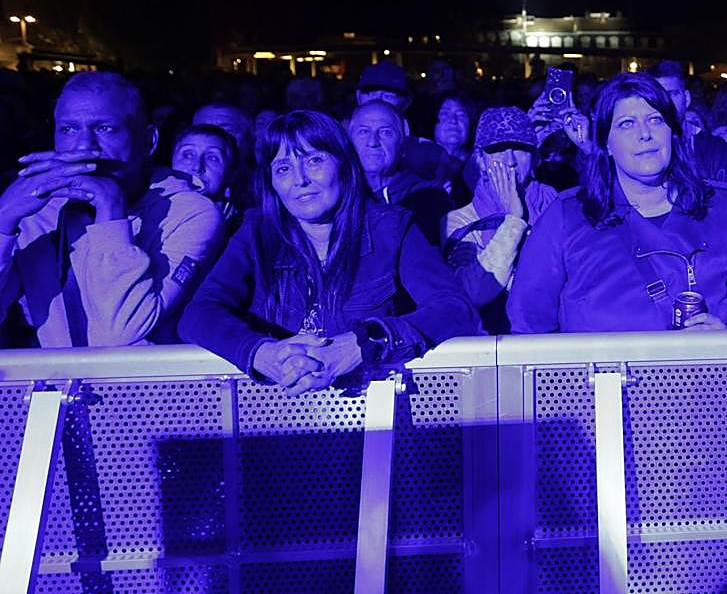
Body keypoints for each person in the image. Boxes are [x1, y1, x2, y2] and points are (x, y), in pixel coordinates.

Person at [179, 111, 477, 394]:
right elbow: (199, 314)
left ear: (344, 165)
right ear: (271, 181)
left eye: (314, 161)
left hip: (373, 410)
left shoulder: (392, 229)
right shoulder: (257, 232)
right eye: (283, 168)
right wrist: (263, 353)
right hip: (275, 411)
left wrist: (366, 343)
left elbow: (454, 308)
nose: (300, 180)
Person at [507, 73, 727, 333]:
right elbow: (528, 322)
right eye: (626, 124)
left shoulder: (722, 208)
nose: (645, 134)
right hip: (601, 383)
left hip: (705, 380)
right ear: (605, 143)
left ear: (672, 133)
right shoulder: (568, 216)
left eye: (655, 120)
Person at [0, 72, 224, 346]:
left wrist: (111, 213)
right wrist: (4, 221)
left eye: (104, 128)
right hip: (59, 381)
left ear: (148, 141)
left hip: (149, 386)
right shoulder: (38, 209)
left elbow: (120, 334)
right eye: (68, 129)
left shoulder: (191, 212)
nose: (84, 145)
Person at [442, 107, 558, 334]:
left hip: (555, 339)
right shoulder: (460, 221)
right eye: (498, 150)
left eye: (520, 149)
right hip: (493, 344)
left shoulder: (558, 207)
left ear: (534, 158)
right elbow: (475, 291)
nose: (510, 160)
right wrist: (514, 220)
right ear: (481, 161)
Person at [347, 101, 453, 246]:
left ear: (402, 144)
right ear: (349, 141)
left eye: (385, 132)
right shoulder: (336, 196)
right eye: (363, 132)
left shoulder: (429, 199)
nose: (373, 142)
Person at [650, 60, 727, 205]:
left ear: (687, 98)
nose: (667, 102)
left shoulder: (714, 148)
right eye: (659, 96)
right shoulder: (641, 147)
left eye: (673, 94)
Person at [171, 124, 242, 231]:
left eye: (212, 158)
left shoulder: (245, 230)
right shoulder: (148, 218)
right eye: (188, 155)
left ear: (231, 172)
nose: (197, 167)